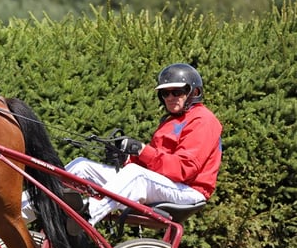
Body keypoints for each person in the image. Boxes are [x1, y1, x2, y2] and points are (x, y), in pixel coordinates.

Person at [28, 63, 222, 226]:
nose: (170, 97)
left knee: (134, 175)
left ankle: (86, 217)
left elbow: (183, 169)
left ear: (194, 91)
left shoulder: (203, 120)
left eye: (177, 92)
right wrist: (127, 159)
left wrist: (142, 150)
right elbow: (151, 167)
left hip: (188, 191)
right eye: (165, 93)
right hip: (163, 183)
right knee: (82, 166)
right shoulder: (170, 122)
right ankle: (17, 211)